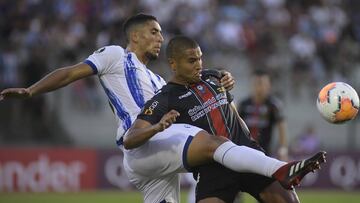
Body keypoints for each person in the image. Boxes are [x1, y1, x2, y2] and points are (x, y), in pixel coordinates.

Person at [0, 14, 323, 203]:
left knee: (212, 146)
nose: (160, 37)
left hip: (160, 150)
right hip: (143, 143)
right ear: (136, 36)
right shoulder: (115, 55)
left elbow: (202, 106)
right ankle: (278, 168)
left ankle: (258, 171)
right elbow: (71, 72)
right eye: (154, 32)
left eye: (161, 34)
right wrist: (32, 90)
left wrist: (222, 85)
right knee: (215, 145)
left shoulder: (159, 82)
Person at [127, 35, 326, 203]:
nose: (199, 65)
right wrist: (158, 127)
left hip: (248, 155)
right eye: (191, 61)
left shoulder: (213, 77)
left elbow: (233, 113)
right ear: (173, 64)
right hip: (213, 169)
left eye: (200, 59)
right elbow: (130, 138)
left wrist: (250, 140)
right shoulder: (165, 98)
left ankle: (280, 169)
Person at [237, 69, 288, 160]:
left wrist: (283, 149)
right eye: (256, 83)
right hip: (244, 151)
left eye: (261, 83)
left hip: (265, 153)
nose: (259, 87)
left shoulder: (274, 105)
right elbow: (236, 125)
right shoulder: (243, 104)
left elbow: (281, 128)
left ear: (268, 86)